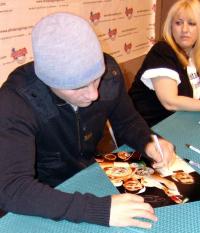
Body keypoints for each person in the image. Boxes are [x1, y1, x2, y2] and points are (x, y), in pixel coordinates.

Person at [0, 12, 175, 229]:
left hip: (91, 174)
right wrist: (100, 210)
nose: (94, 95)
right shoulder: (16, 99)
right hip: (44, 194)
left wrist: (149, 141)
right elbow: (12, 189)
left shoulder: (109, 71)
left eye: (96, 79)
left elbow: (127, 121)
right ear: (48, 81)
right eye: (78, 87)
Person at [129, 0, 200, 127]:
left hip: (181, 121)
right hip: (149, 128)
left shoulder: (195, 54)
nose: (184, 29)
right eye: (178, 23)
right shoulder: (162, 51)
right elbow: (170, 102)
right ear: (171, 26)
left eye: (192, 23)